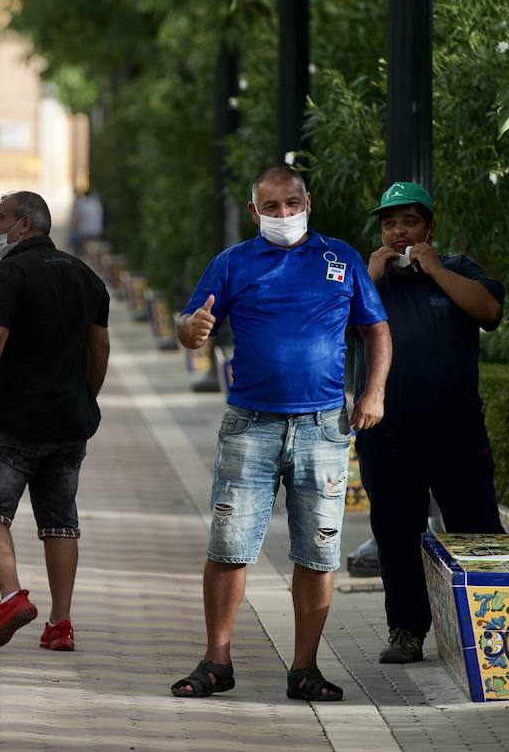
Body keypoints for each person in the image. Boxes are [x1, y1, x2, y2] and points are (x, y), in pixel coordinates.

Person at [169, 165, 391, 702]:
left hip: (323, 427)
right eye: (272, 207)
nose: (285, 215)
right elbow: (188, 323)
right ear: (255, 212)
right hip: (251, 424)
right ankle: (216, 662)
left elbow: (376, 329)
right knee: (229, 546)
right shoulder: (233, 263)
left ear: (308, 201)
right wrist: (190, 330)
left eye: (293, 204)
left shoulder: (342, 259)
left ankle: (305, 669)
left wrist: (373, 393)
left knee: (317, 551)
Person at [359, 181, 507, 665]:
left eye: (409, 222)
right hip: (388, 432)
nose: (398, 232)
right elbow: (331, 325)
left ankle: (491, 627)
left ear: (429, 227)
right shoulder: (371, 280)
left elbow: (489, 312)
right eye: (389, 223)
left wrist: (437, 270)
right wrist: (368, 276)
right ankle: (406, 630)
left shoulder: (459, 270)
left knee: (476, 530)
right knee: (396, 533)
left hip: (456, 431)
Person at [0, 191, 110, 652]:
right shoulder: (86, 276)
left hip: (14, 419)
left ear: (24, 224)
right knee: (61, 522)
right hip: (69, 422)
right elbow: (99, 347)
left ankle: (11, 596)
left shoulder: (9, 273)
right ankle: (60, 624)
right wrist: (85, 396)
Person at [68, 187, 104, 255]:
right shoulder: (97, 203)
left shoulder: (83, 204)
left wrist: (71, 227)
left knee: (73, 237)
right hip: (98, 231)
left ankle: (79, 256)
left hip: (86, 232)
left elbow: (77, 219)